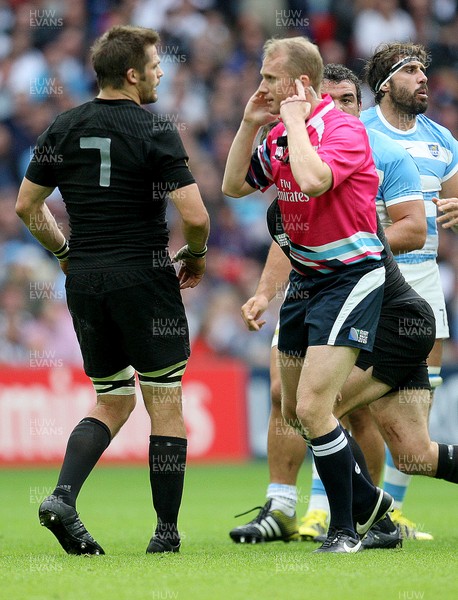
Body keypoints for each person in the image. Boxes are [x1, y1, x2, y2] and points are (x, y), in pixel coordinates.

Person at [229, 64, 458, 551]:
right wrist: (266, 292)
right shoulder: (295, 169)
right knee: (409, 451)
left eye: (345, 101)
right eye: (326, 100)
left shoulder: (367, 154)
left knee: (318, 409)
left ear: (361, 104)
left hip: (397, 318)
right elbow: (278, 227)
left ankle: (349, 524)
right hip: (359, 304)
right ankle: (372, 518)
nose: (332, 110)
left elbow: (413, 229)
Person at [15, 25, 209, 556]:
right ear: (132, 74)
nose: (161, 71)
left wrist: (64, 254)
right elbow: (195, 217)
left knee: (114, 398)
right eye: (154, 64)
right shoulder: (154, 129)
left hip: (87, 281)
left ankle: (62, 497)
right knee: (164, 401)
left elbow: (26, 207)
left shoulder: (63, 125)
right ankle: (166, 533)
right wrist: (195, 256)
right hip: (144, 277)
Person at [223, 37, 392, 554]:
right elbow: (233, 186)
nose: (261, 87)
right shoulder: (275, 135)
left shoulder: (344, 130)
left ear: (299, 83)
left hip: (350, 275)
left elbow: (316, 181)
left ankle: (344, 530)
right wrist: (253, 122)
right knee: (296, 410)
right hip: (305, 280)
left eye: (270, 79)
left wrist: (296, 121)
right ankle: (371, 505)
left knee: (317, 407)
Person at [361, 41, 458, 538]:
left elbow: (455, 204)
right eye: (411, 70)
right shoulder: (359, 131)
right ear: (385, 84)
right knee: (344, 401)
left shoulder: (442, 140)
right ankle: (330, 506)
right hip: (369, 276)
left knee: (417, 414)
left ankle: (389, 516)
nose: (423, 77)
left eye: (425, 69)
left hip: (424, 278)